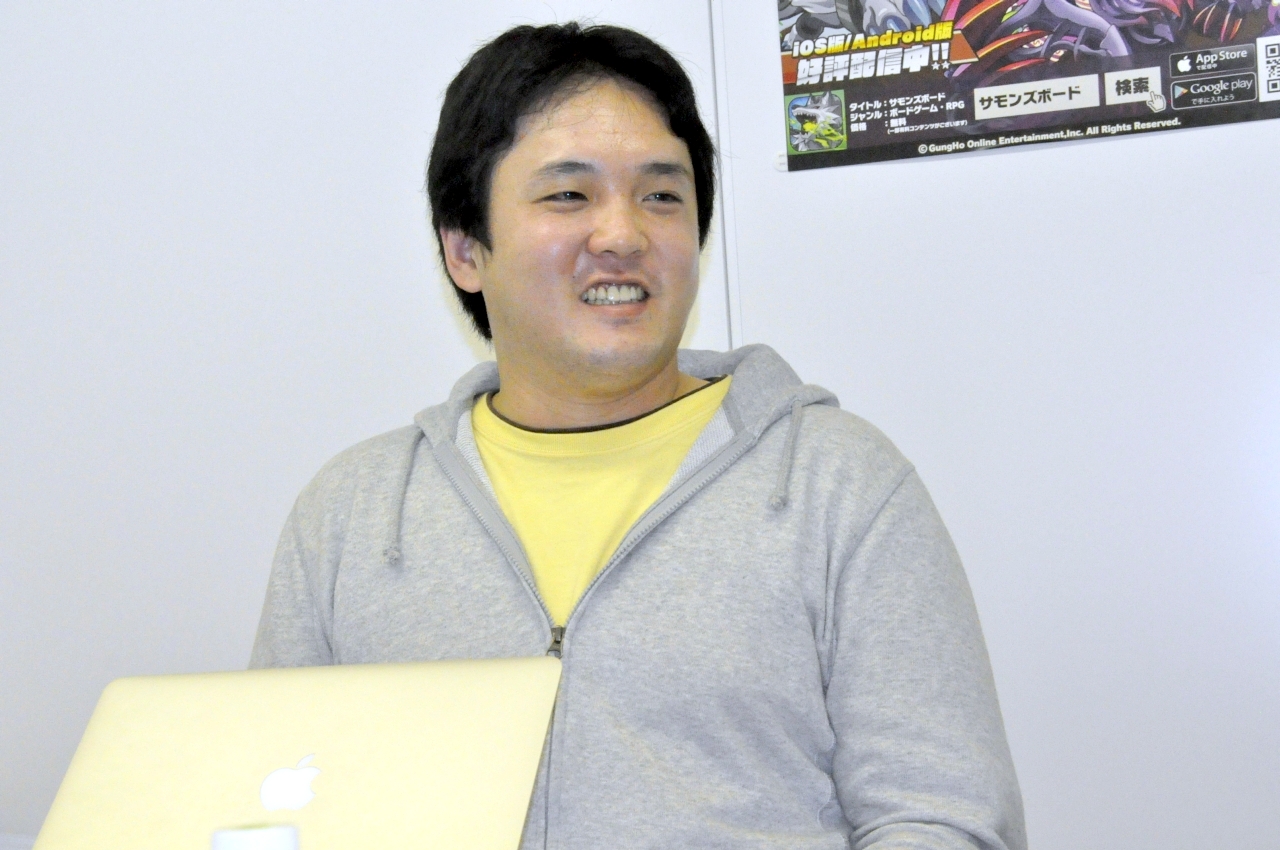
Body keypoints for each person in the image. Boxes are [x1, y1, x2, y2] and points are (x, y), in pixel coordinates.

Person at [251, 22, 1026, 850]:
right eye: (568, 195)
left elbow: (944, 817)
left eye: (661, 196)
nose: (623, 235)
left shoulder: (838, 484)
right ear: (465, 249)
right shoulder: (352, 514)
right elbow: (266, 808)